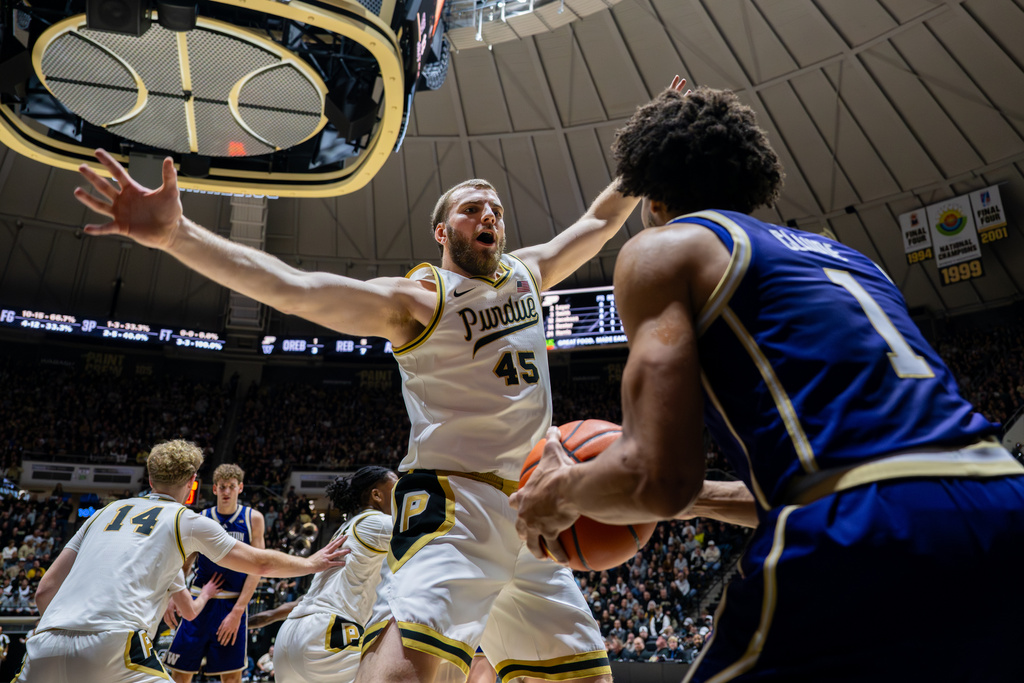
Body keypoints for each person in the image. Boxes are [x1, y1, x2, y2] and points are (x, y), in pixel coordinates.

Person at [72, 76, 688, 683]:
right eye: (472, 208)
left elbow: (599, 221)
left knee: (585, 679)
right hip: (455, 507)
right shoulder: (418, 299)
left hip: (537, 506)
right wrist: (180, 235)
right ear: (444, 233)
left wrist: (654, 142)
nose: (489, 215)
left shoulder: (529, 273)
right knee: (400, 676)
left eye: (495, 209)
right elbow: (295, 288)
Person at [511, 84, 1024, 682]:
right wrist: (700, 502)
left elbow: (658, 479)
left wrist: (562, 492)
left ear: (651, 199)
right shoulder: (852, 259)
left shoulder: (664, 250)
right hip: (1002, 503)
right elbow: (839, 470)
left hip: (867, 528)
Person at [15, 439, 347, 683]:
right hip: (112, 644)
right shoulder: (185, 520)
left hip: (43, 645)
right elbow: (259, 563)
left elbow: (44, 591)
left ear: (149, 480)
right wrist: (312, 562)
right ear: (192, 484)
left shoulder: (103, 513)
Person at [246, 466, 398, 683]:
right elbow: (428, 535)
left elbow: (303, 600)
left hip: (290, 635)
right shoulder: (376, 523)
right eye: (397, 490)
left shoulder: (344, 530)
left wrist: (265, 617)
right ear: (376, 494)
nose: (402, 497)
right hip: (328, 633)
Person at [165, 464, 265, 683]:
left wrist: (238, 611)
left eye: (231, 486)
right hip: (198, 599)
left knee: (231, 678)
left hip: (231, 603)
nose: (226, 492)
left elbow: (257, 568)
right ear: (215, 489)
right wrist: (174, 596)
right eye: (222, 487)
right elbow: (184, 564)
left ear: (240, 488)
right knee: (180, 674)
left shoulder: (253, 519)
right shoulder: (202, 518)